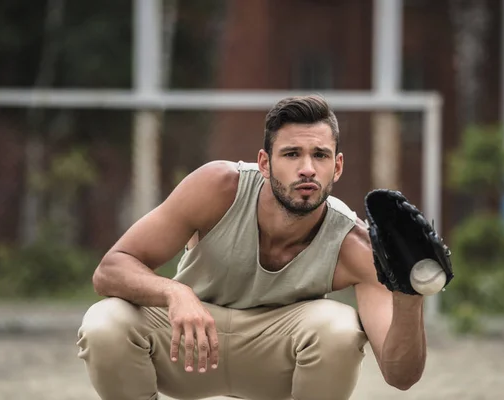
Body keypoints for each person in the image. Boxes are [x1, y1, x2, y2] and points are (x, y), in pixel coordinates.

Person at [77, 95, 427, 400]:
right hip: (188, 347)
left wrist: (409, 296)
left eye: (319, 155)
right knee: (104, 322)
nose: (307, 169)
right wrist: (175, 292)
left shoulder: (354, 244)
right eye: (291, 154)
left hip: (272, 364)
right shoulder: (218, 187)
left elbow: (401, 376)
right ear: (264, 162)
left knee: (338, 328)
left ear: (336, 167)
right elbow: (111, 269)